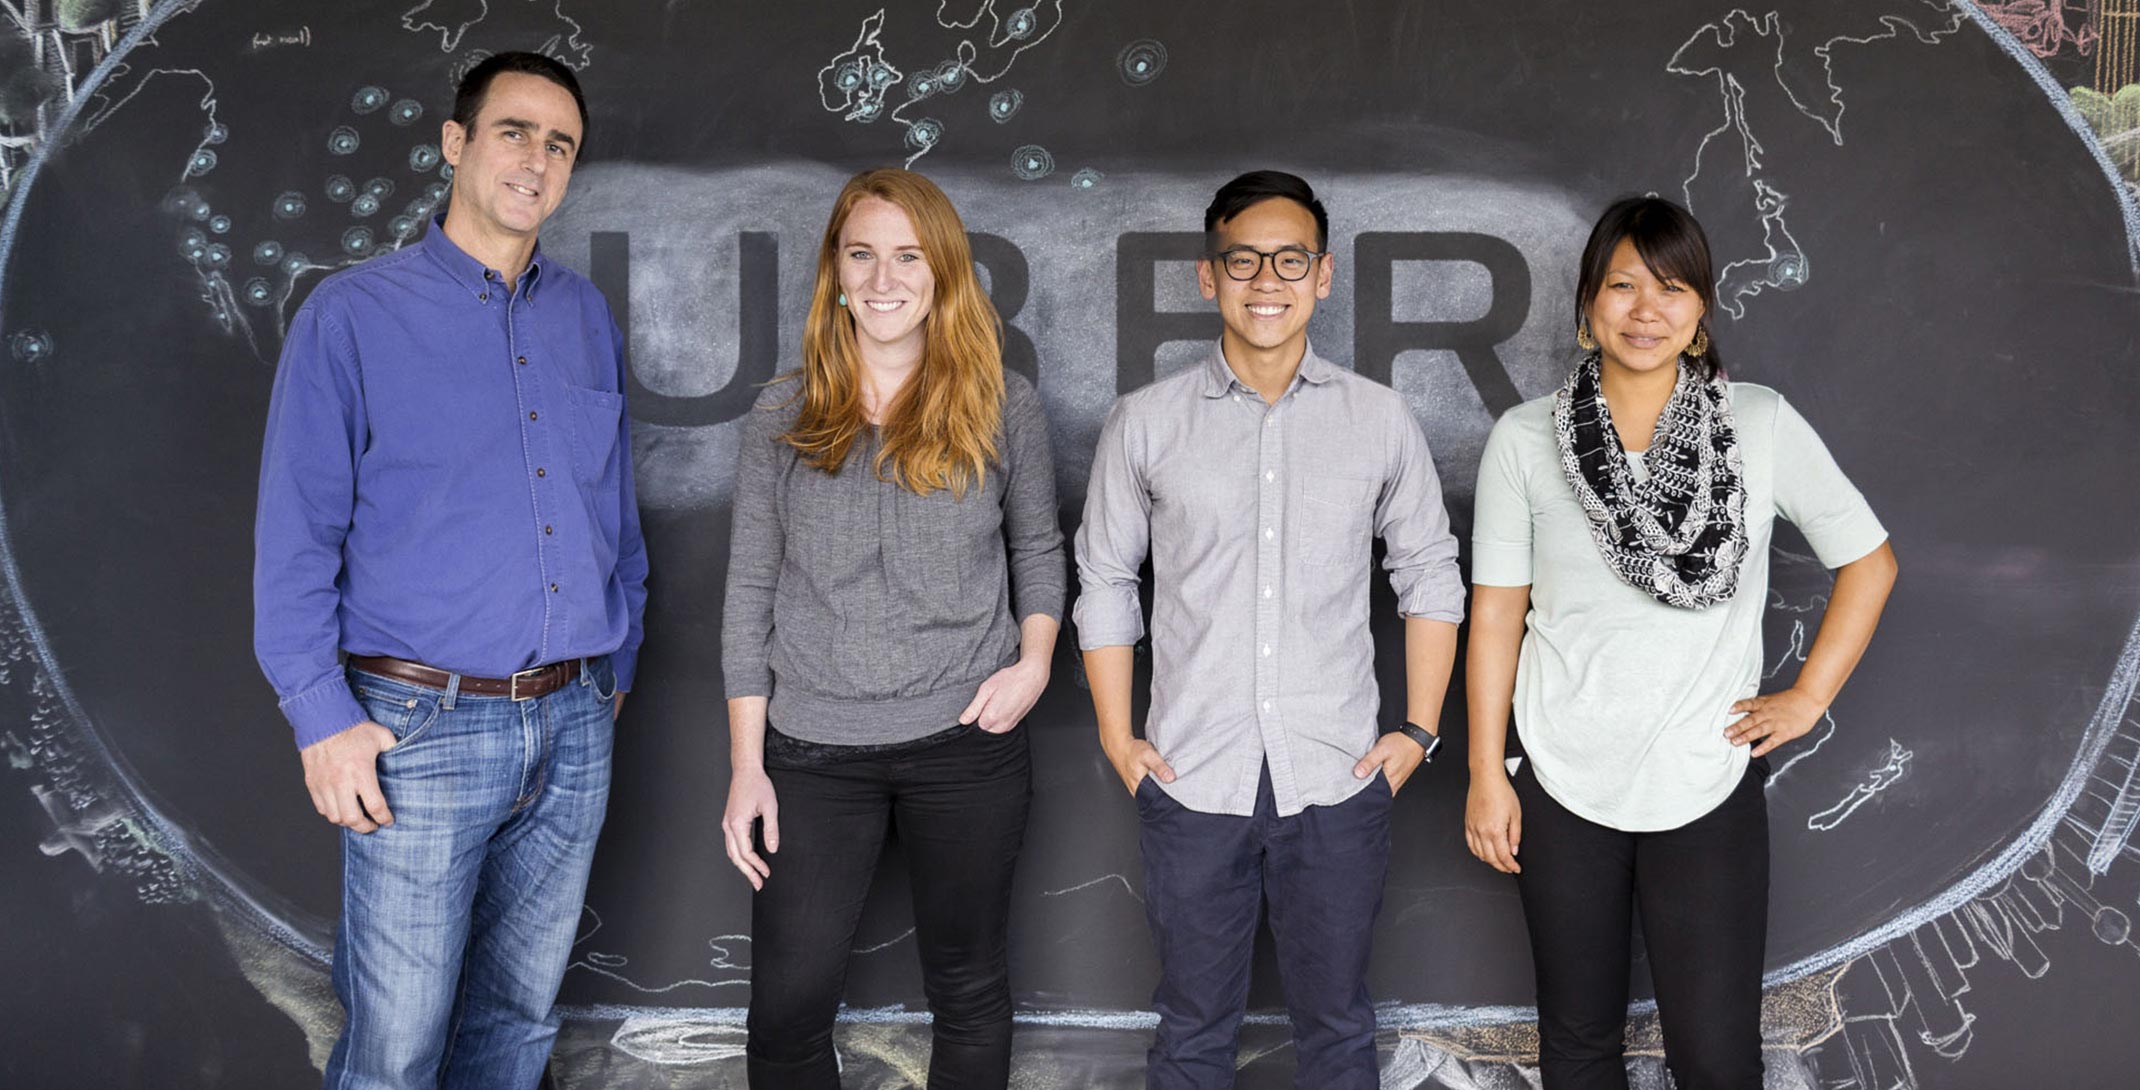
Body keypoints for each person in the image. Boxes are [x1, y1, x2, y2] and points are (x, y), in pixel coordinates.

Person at [252, 51, 646, 1089]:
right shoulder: (351, 316)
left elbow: (613, 515)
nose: (536, 159)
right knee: (397, 1046)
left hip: (571, 724)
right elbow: (294, 538)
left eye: (558, 144)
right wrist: (319, 717)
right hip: (416, 730)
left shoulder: (584, 318)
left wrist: (616, 669)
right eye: (513, 131)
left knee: (515, 1023)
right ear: (455, 144)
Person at [1462, 196, 1899, 1089]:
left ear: (1700, 310)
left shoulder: (1760, 422)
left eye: (1671, 287)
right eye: (1622, 286)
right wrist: (1482, 774)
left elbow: (1871, 562)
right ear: (1588, 305)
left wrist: (1808, 697)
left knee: (1715, 1055)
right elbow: (1497, 614)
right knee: (1577, 1047)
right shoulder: (1522, 439)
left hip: (1706, 779)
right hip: (1560, 780)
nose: (1645, 309)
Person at [1074, 170, 1464, 1090]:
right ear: (1209, 277)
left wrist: (1418, 730)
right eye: (1242, 259)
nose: (1267, 280)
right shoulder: (1145, 423)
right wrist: (1114, 734)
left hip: (1336, 780)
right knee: (1192, 1033)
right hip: (1189, 777)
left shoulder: (1379, 419)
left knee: (1336, 1031)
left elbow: (1430, 576)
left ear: (1323, 276)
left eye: (1290, 260)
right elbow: (1103, 576)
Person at [718, 167, 1064, 1089]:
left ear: (944, 274)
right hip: (811, 752)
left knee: (969, 989)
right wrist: (748, 766)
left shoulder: (1004, 406)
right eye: (862, 254)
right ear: (834, 270)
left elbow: (1038, 547)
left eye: (909, 257)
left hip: (967, 745)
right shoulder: (779, 416)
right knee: (787, 1008)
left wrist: (1033, 664)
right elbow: (749, 592)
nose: (883, 279)